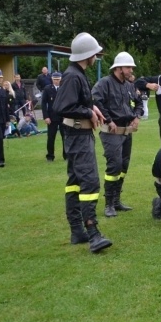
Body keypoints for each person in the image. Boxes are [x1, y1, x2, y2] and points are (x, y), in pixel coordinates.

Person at [53, 32, 111, 253]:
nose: (96, 57)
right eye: (95, 53)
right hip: (78, 137)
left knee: (75, 182)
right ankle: (92, 232)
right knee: (90, 182)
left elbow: (77, 101)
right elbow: (63, 107)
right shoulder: (73, 76)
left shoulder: (77, 74)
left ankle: (77, 230)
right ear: (88, 54)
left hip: (79, 136)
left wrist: (91, 106)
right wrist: (87, 110)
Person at [92, 51, 143, 218]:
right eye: (128, 67)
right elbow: (96, 101)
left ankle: (116, 201)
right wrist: (108, 120)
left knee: (123, 166)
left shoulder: (129, 86)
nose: (131, 70)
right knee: (114, 165)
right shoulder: (104, 84)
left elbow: (139, 102)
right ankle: (108, 204)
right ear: (119, 68)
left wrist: (137, 115)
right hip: (111, 132)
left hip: (126, 132)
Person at [42, 71, 65, 162]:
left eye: (58, 79)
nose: (56, 81)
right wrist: (46, 117)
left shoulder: (64, 88)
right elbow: (44, 103)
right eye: (55, 79)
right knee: (51, 137)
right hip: (51, 117)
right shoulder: (47, 89)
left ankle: (66, 155)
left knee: (65, 137)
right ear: (52, 79)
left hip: (63, 116)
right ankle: (50, 156)